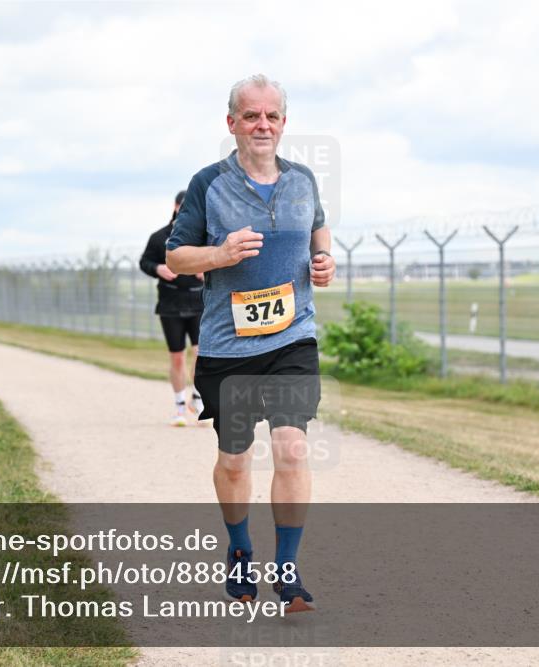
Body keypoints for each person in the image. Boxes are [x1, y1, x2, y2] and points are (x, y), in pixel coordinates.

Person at [165, 74, 335, 613]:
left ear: (284, 123)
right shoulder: (208, 184)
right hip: (228, 347)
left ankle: (287, 571)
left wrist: (324, 260)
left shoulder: (303, 180)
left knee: (291, 447)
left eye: (272, 116)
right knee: (236, 462)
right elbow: (176, 257)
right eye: (252, 115)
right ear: (232, 122)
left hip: (292, 338)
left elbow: (319, 228)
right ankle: (240, 550)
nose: (263, 125)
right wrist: (220, 254)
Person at [140, 190, 207, 426]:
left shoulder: (203, 236)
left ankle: (197, 399)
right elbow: (145, 262)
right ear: (176, 207)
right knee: (177, 358)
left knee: (201, 354)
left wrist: (207, 269)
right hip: (170, 304)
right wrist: (157, 268)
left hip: (198, 301)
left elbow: (219, 259)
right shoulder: (159, 237)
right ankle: (179, 406)